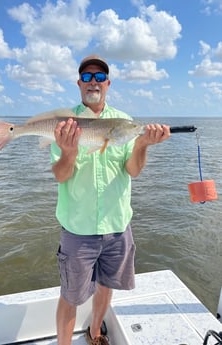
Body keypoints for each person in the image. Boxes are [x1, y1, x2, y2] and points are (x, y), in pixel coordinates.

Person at [50, 54, 170, 345]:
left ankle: (95, 333)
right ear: (79, 83)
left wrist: (141, 143)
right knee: (71, 296)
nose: (94, 82)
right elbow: (61, 175)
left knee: (106, 286)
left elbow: (133, 170)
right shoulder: (68, 125)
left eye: (100, 77)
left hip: (117, 226)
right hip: (79, 229)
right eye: (88, 77)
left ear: (108, 84)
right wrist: (68, 151)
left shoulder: (125, 123)